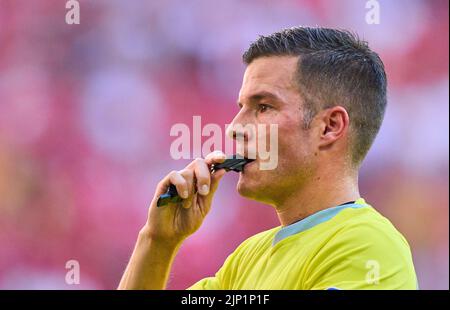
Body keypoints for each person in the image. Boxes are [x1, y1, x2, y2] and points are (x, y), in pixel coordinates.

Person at [118, 27, 417, 290]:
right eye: (241, 106)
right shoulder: (246, 259)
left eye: (263, 107)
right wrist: (157, 242)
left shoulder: (367, 246)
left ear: (329, 127)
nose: (235, 127)